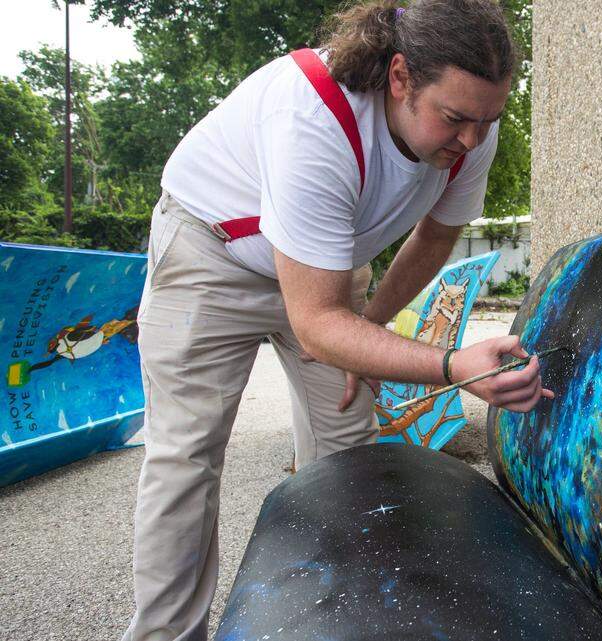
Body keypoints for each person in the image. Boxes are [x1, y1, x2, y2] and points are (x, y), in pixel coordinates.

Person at [122, 1, 550, 639]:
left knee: (349, 447)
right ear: (400, 77)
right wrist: (451, 367)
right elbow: (318, 327)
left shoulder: (468, 133)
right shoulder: (312, 116)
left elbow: (433, 238)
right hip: (213, 258)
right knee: (186, 456)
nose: (471, 139)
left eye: (487, 121)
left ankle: (336, 621)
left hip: (326, 267)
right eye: (455, 119)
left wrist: (369, 330)